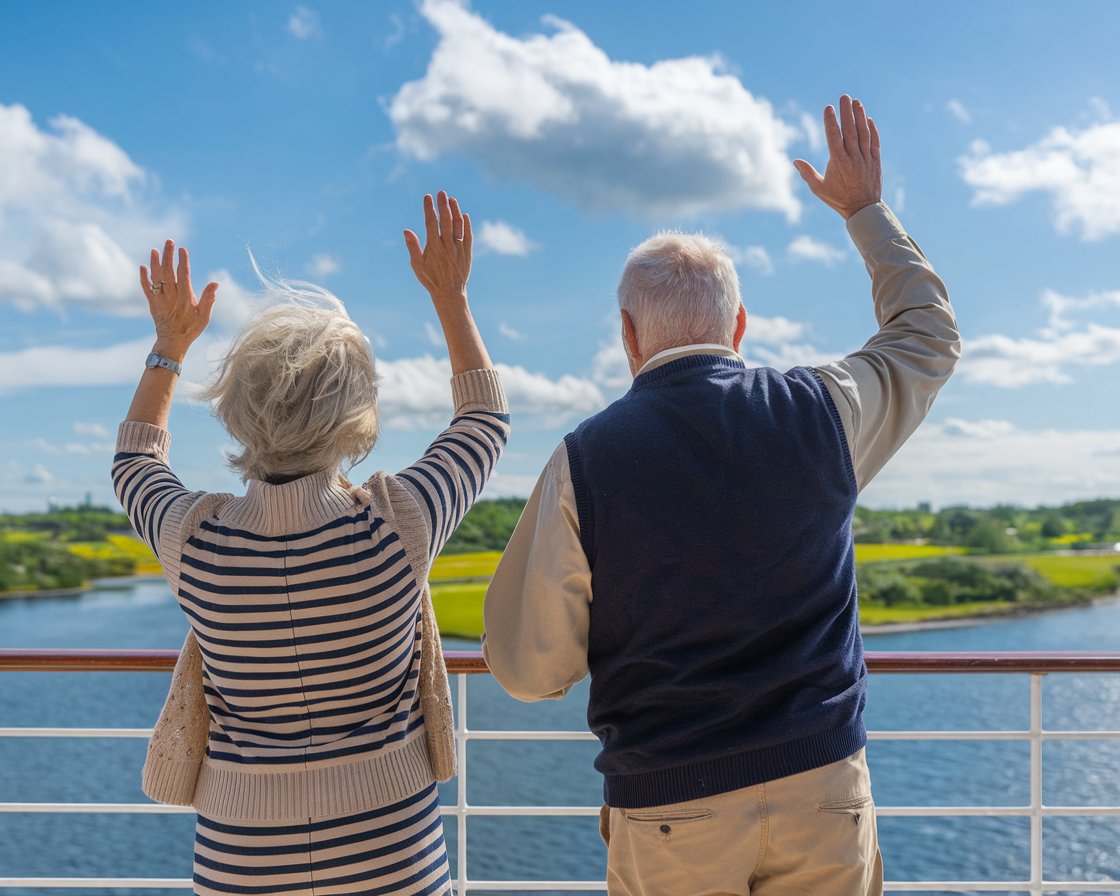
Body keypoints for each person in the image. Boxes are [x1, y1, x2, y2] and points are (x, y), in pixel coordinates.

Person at [482, 96, 960, 895]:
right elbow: (927, 337)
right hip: (823, 790)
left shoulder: (582, 462)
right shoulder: (823, 409)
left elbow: (533, 669)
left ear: (628, 336)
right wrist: (866, 210)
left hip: (671, 807)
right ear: (738, 324)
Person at [112, 191, 508, 895]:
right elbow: (482, 419)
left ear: (236, 410)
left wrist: (169, 347)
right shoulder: (399, 524)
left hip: (241, 855)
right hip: (393, 845)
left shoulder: (196, 543)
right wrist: (451, 297)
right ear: (357, 416)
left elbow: (136, 460)